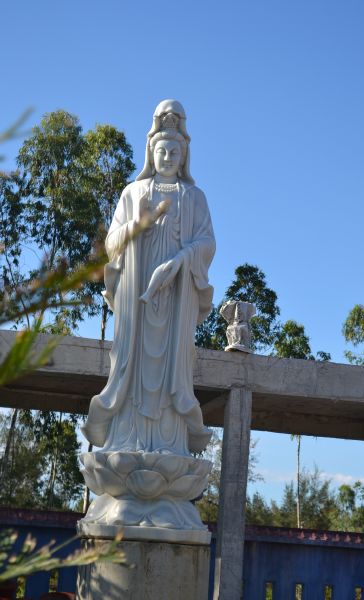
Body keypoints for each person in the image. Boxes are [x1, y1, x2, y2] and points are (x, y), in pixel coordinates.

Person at [81, 100, 215, 456]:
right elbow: (112, 244)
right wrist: (136, 225)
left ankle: (169, 441)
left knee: (174, 366)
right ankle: (127, 438)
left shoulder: (194, 198)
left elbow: (207, 242)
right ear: (151, 154)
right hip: (137, 298)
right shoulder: (133, 192)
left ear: (184, 157)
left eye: (174, 152)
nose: (168, 157)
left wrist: (181, 260)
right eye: (162, 151)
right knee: (133, 364)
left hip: (175, 300)